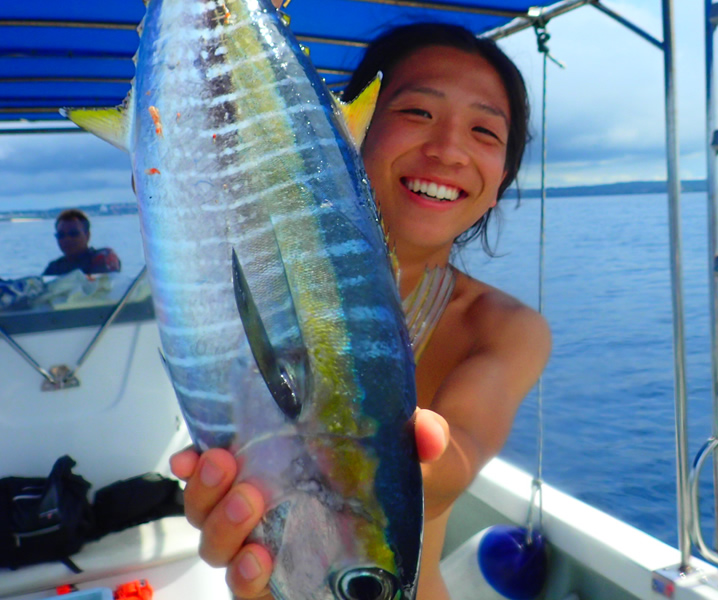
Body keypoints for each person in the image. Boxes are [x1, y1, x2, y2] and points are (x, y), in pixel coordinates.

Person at [168, 22, 550, 600]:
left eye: (484, 132)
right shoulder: (248, 261)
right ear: (353, 132)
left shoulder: (504, 328)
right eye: (418, 112)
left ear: (500, 183)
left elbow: (454, 460)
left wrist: (378, 465)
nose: (447, 149)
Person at [42, 208, 122, 276]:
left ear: (87, 235)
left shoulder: (102, 259)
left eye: (73, 234)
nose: (67, 239)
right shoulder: (54, 268)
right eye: (61, 235)